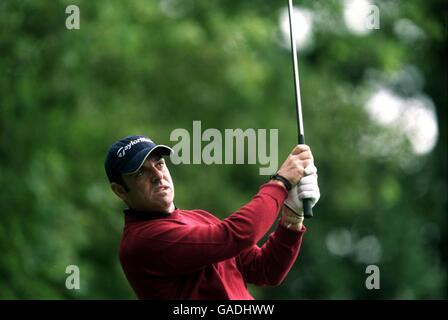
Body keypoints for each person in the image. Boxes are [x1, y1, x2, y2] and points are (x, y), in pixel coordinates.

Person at [104, 135, 320, 300]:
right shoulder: (142, 241)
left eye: (159, 164)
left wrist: (293, 213)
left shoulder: (199, 218)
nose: (158, 175)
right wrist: (281, 182)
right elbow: (238, 235)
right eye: (140, 173)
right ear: (120, 191)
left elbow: (265, 270)